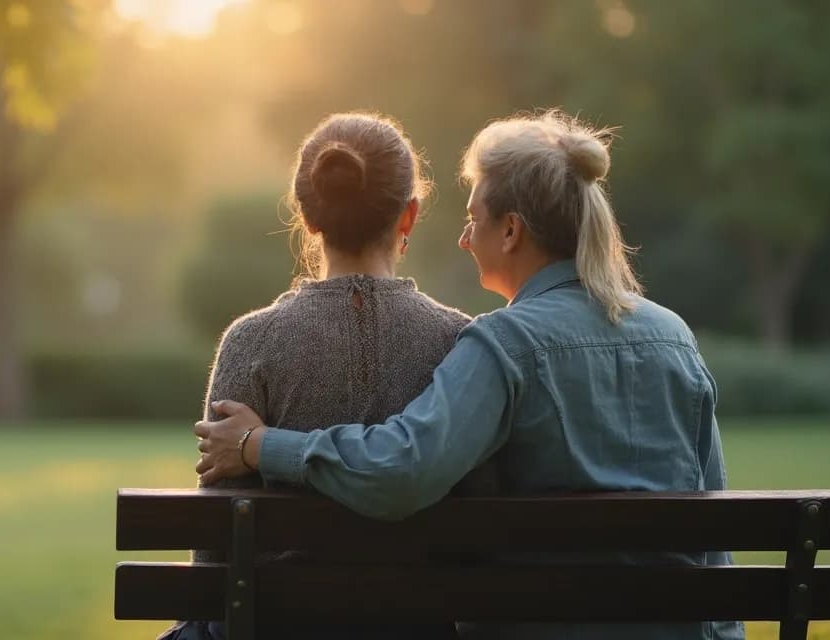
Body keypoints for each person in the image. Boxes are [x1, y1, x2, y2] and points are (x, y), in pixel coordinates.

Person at [194, 110, 746, 640]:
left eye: (472, 219)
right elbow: (712, 518)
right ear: (406, 215)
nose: (463, 238)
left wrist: (257, 443)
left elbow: (404, 469)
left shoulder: (501, 345)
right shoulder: (673, 335)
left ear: (510, 231)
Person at [162, 112, 472, 640]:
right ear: (409, 216)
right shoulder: (462, 343)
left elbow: (213, 550)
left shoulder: (251, 342)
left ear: (307, 217)